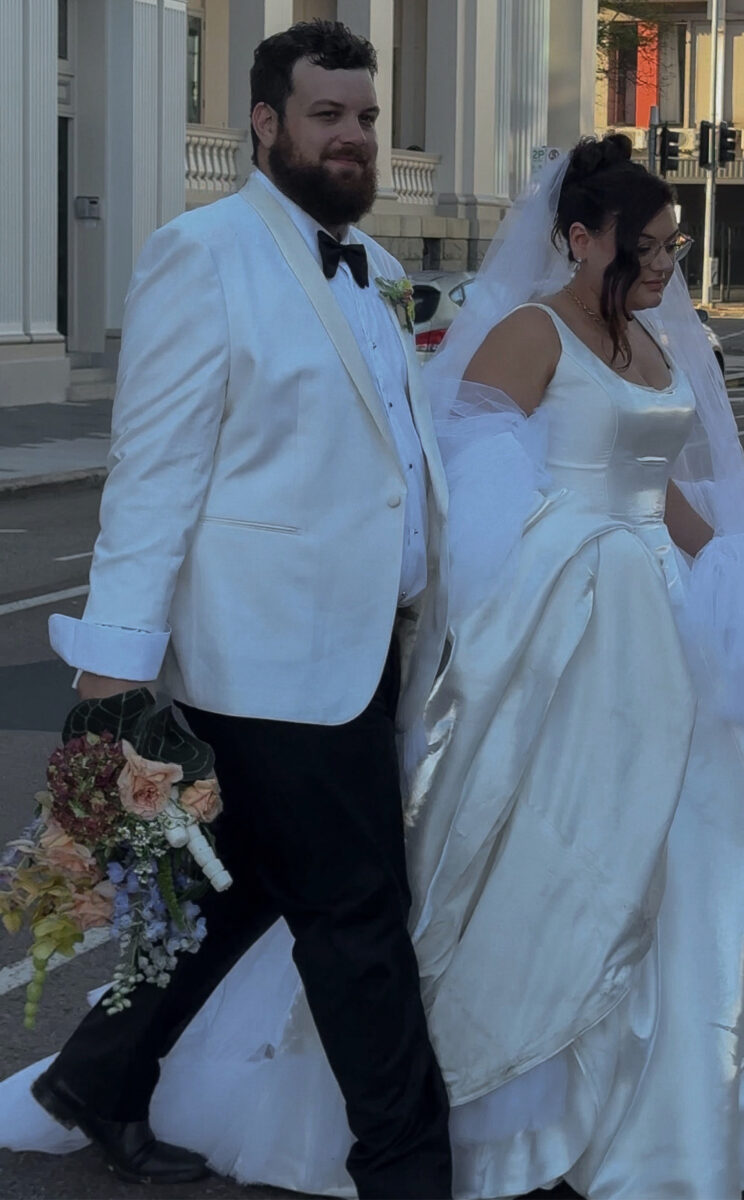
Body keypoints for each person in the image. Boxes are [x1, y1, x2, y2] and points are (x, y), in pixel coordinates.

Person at [0, 137, 744, 1198]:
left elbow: (655, 481)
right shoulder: (527, 332)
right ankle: (456, 1138)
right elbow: (467, 485)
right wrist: (581, 561)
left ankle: (687, 1111)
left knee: (685, 853)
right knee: (437, 882)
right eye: (645, 247)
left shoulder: (648, 337)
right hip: (552, 633)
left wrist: (735, 565)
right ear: (579, 238)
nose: (664, 265)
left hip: (656, 626)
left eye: (673, 247)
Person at [6, 20, 452, 1200]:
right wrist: (111, 673)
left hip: (368, 644)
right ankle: (408, 1170)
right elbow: (153, 474)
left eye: (365, 118)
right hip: (266, 658)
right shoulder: (201, 254)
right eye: (327, 115)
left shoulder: (378, 268)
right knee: (358, 919)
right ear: (265, 123)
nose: (353, 138)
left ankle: (94, 1082)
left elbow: (396, 457)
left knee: (241, 882)